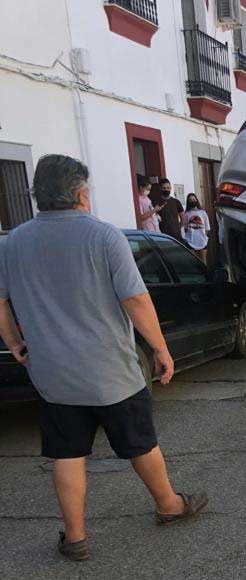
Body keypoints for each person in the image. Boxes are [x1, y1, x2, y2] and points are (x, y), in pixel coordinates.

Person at [0, 155, 208, 562]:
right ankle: (169, 505)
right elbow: (135, 299)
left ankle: (75, 538)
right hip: (110, 370)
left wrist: (15, 344)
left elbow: (1, 301)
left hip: (53, 374)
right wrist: (161, 349)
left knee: (66, 453)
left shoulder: (13, 242)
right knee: (140, 443)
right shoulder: (104, 237)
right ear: (80, 193)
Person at [182, 193, 211, 263]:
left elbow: (207, 228)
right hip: (191, 241)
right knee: (193, 262)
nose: (192, 201)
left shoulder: (203, 213)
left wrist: (203, 236)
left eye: (194, 199)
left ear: (196, 200)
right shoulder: (186, 214)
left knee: (204, 262)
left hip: (202, 241)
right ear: (188, 202)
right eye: (190, 200)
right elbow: (185, 228)